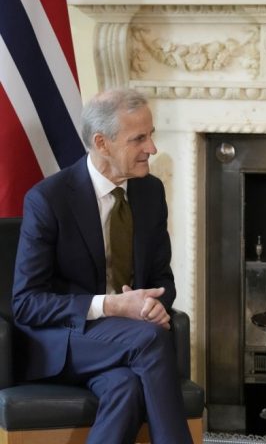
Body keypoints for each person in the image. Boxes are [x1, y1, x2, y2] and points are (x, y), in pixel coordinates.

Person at [12, 89, 193, 444]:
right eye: (138, 139)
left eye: (151, 134)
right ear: (102, 143)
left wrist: (154, 304)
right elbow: (26, 303)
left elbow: (162, 278)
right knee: (150, 339)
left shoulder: (150, 192)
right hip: (63, 340)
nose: (152, 148)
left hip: (126, 338)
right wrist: (111, 306)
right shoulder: (48, 200)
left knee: (125, 387)